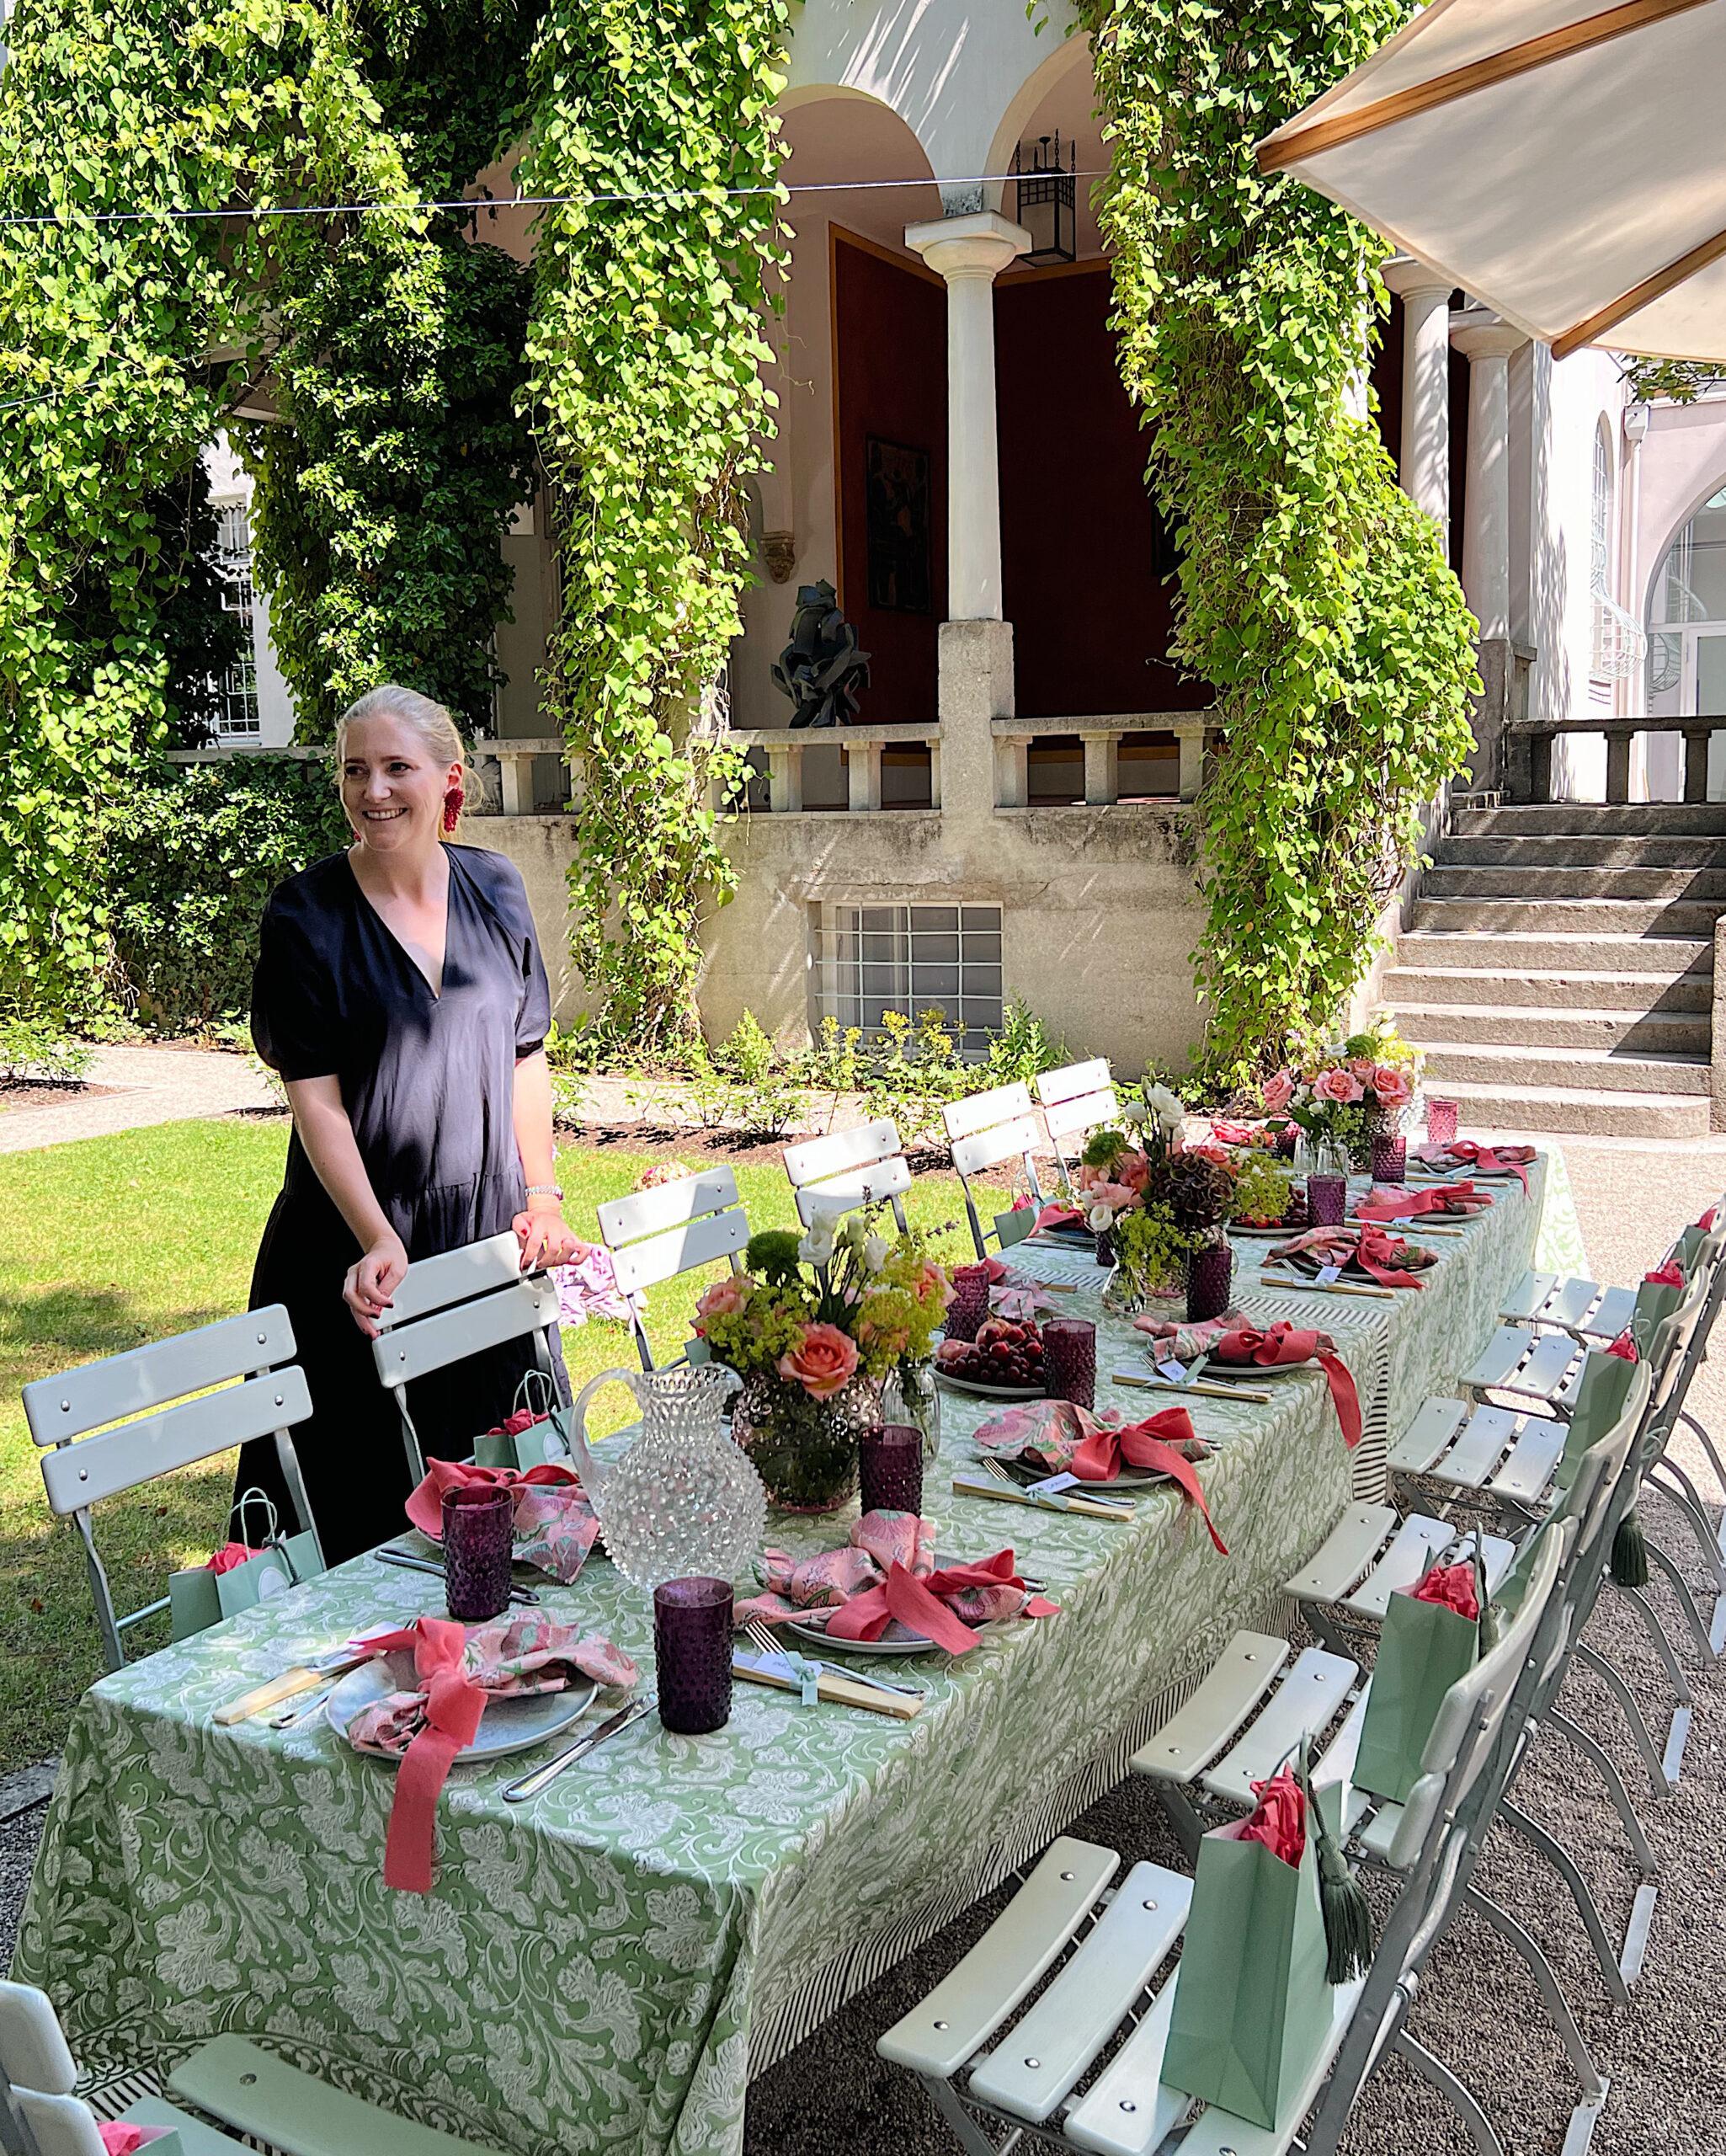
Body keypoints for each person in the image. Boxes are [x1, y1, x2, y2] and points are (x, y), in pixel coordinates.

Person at [232, 685, 583, 1563]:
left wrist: (542, 1194)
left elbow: (524, 1056)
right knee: (359, 1520)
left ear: (446, 778)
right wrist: (378, 1235)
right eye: (355, 771)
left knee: (499, 1499)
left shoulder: (496, 888)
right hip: (353, 1251)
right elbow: (314, 1098)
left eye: (396, 767)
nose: (374, 790)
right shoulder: (304, 916)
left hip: (480, 1235)